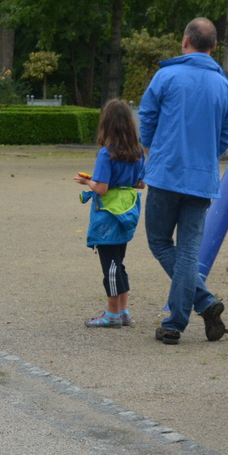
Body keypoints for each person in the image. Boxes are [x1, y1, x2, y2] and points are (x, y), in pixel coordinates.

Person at [138, 18, 228, 344]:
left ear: (185, 41)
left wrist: (152, 148)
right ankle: (198, 306)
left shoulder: (166, 75)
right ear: (213, 47)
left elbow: (148, 117)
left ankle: (179, 322)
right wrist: (209, 153)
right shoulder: (226, 87)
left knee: (159, 242)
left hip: (167, 173)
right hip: (202, 179)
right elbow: (227, 133)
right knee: (187, 253)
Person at [74, 100, 145, 327]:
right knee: (119, 261)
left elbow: (102, 188)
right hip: (128, 210)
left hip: (108, 214)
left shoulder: (107, 153)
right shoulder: (137, 151)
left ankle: (112, 315)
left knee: (111, 265)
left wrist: (86, 181)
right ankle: (124, 311)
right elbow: (140, 184)